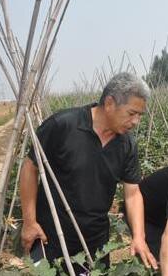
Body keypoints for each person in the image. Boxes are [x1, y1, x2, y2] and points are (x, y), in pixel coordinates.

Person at [20, 72, 157, 272]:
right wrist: (29, 222)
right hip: (48, 237)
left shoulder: (127, 144)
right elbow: (29, 168)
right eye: (131, 113)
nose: (136, 121)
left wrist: (138, 236)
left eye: (140, 116)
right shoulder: (63, 125)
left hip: (94, 242)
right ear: (110, 103)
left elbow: (133, 193)